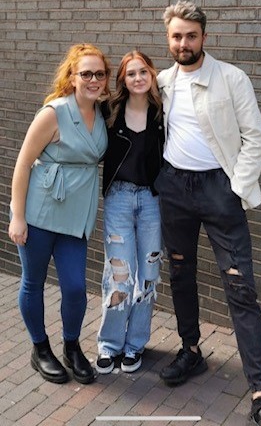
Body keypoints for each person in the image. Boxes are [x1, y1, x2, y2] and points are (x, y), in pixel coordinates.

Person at [154, 1, 261, 426]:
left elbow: (256, 138)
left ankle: (260, 391)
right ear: (168, 39)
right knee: (180, 273)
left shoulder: (231, 78)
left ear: (204, 37)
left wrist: (235, 190)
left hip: (218, 190)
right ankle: (191, 351)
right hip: (175, 188)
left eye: (191, 35)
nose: (184, 43)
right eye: (177, 36)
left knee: (240, 287)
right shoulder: (163, 81)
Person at [8, 43, 110, 385]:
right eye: (86, 73)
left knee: (75, 287)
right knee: (33, 283)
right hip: (38, 214)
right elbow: (23, 165)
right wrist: (17, 216)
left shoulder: (103, 113)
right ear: (72, 76)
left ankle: (71, 347)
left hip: (75, 216)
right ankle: (39, 349)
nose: (93, 79)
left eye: (99, 73)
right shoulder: (53, 113)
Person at [96, 51, 164, 374]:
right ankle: (109, 344)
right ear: (123, 79)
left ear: (152, 74)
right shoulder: (110, 110)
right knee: (120, 275)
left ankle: (135, 344)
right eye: (130, 73)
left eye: (143, 72)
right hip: (119, 199)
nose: (137, 78)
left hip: (151, 201)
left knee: (148, 276)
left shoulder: (163, 112)